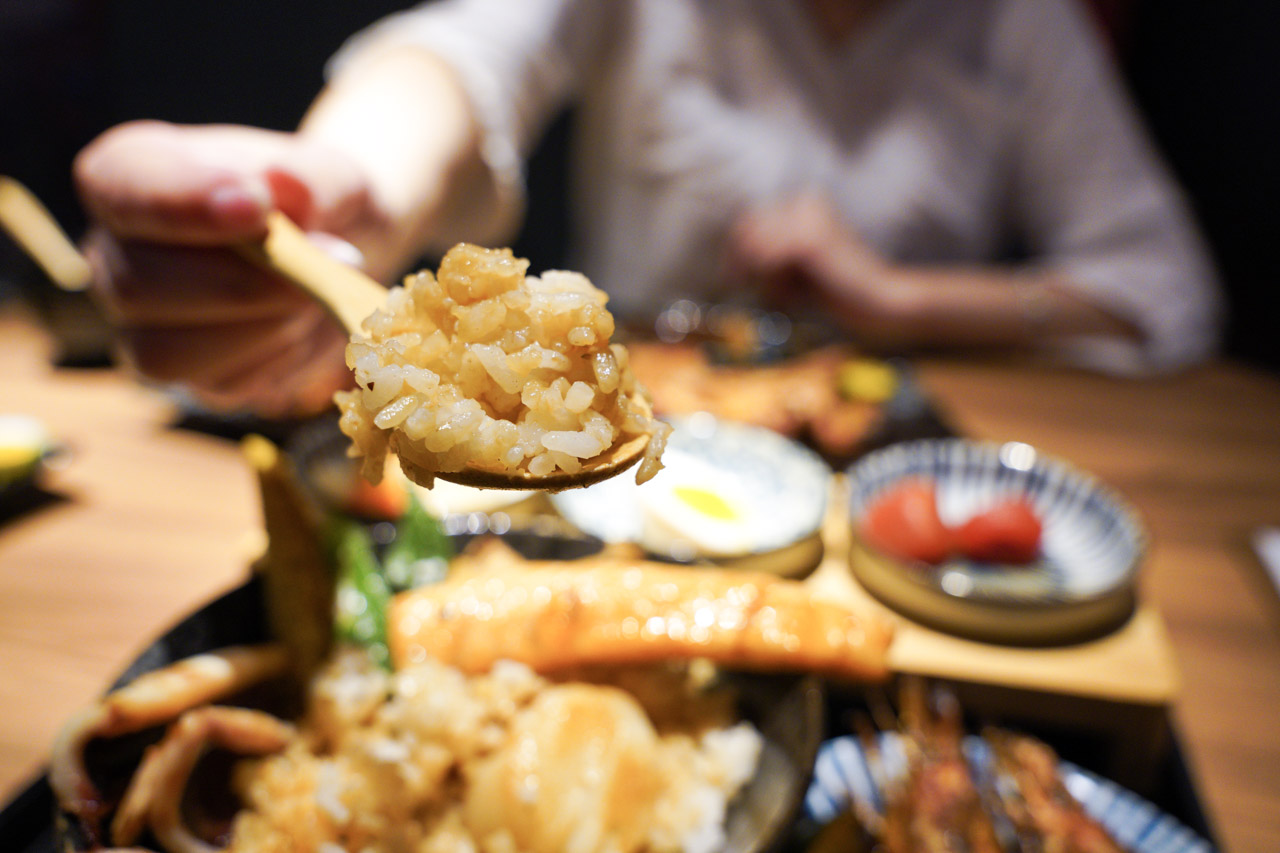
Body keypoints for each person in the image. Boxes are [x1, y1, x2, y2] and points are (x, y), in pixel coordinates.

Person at [73, 0, 1223, 418]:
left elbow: (1164, 296)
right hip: (616, 438)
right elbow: (465, 55)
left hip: (867, 452)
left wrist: (898, 297)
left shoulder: (1018, 24)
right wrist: (347, 190)